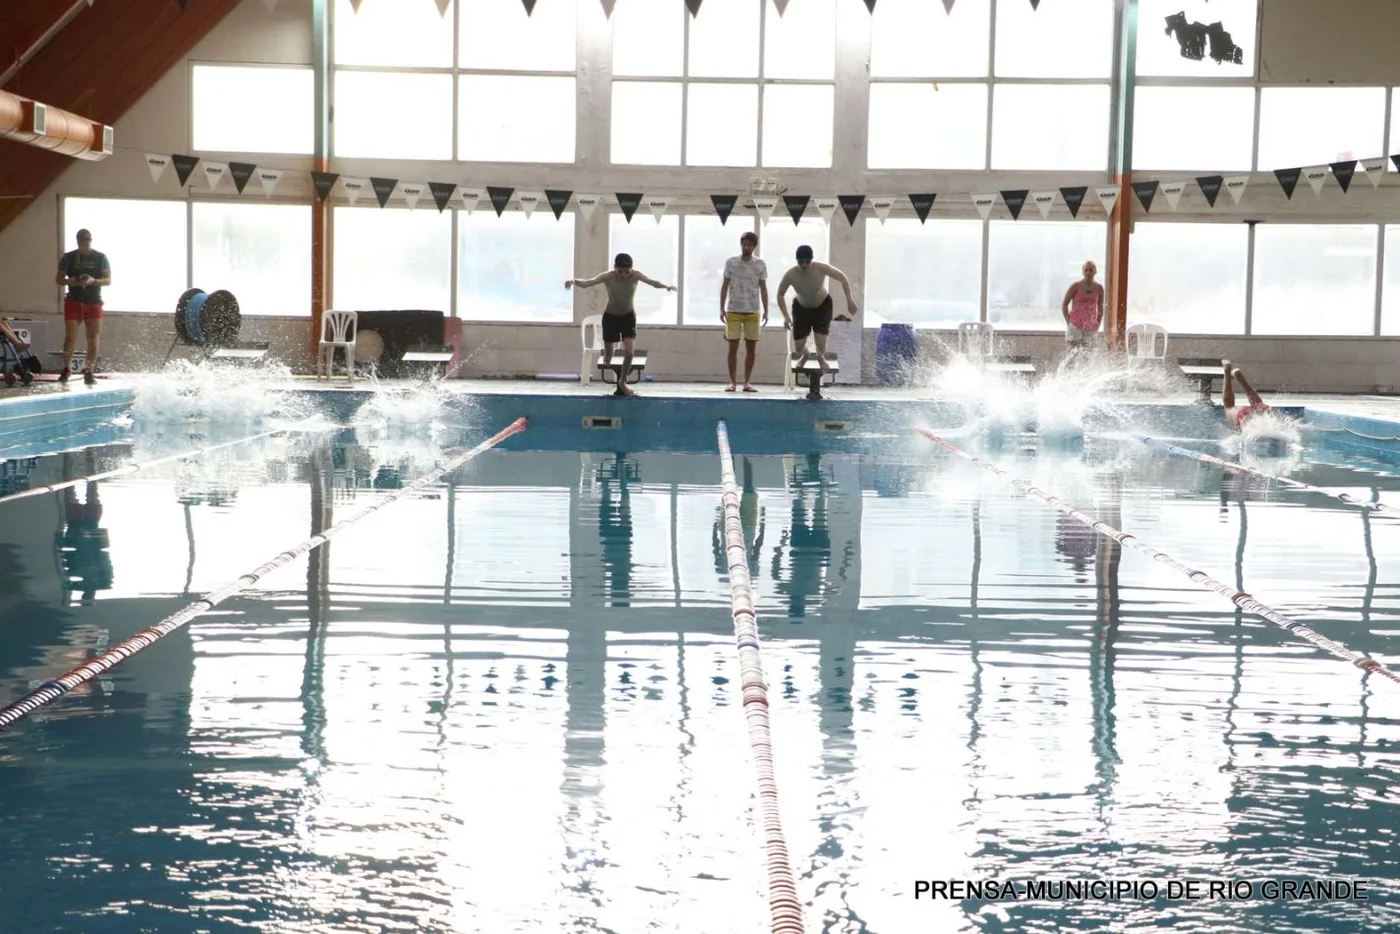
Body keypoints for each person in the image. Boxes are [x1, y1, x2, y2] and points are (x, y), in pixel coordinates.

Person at [566, 253, 675, 396]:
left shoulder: (636, 275)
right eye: (620, 272)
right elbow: (587, 283)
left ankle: (622, 382)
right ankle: (609, 358)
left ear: (631, 269)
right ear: (614, 268)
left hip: (628, 317)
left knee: (629, 352)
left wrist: (666, 286)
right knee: (608, 356)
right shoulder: (608, 276)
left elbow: (653, 282)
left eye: (627, 272)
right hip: (610, 317)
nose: (623, 275)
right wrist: (573, 281)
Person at [774, 245, 858, 377]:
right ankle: (806, 355)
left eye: (807, 262)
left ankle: (820, 357)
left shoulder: (821, 268)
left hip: (822, 306)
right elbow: (780, 295)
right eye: (801, 262)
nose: (804, 265)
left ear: (811, 260)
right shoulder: (791, 274)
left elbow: (842, 278)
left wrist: (850, 300)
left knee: (821, 344)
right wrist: (785, 316)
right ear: (797, 261)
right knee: (798, 347)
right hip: (801, 308)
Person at [55, 228, 111, 385]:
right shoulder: (68, 257)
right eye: (81, 239)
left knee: (93, 338)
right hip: (74, 300)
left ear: (90, 240)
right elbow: (59, 278)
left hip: (93, 301)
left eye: (87, 239)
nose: (84, 242)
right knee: (70, 336)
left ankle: (89, 370)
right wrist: (70, 281)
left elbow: (108, 280)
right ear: (77, 240)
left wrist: (93, 281)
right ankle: (66, 368)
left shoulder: (101, 257)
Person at [720, 231, 768, 393]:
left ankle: (746, 382)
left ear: (754, 246)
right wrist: (721, 308)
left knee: (751, 347)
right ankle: (733, 382)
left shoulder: (760, 264)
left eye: (749, 245)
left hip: (753, 310)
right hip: (733, 308)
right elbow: (725, 285)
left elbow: (763, 288)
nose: (746, 247)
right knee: (732, 346)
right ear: (741, 245)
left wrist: (767, 310)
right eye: (744, 244)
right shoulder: (731, 263)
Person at [1061, 259, 1104, 350]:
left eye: (1091, 270)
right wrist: (1069, 321)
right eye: (1086, 270)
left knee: (1087, 356)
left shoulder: (1099, 288)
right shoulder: (1075, 286)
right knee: (1074, 355)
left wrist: (1098, 322)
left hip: (1090, 326)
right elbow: (1064, 304)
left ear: (1095, 271)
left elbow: (1100, 307)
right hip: (1075, 324)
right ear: (1083, 272)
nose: (1088, 273)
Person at [1219, 360, 1274, 429]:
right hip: (1248, 419)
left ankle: (1234, 375)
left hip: (1258, 415)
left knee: (1258, 405)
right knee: (1229, 406)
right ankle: (1228, 371)